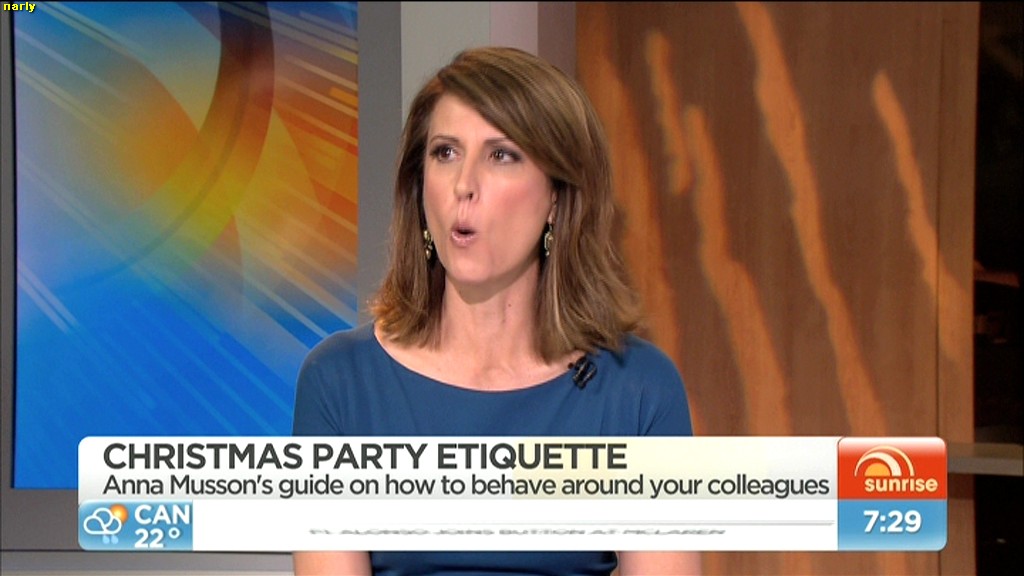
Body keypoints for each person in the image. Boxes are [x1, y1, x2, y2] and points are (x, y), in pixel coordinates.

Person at [292, 46, 700, 576]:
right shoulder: (341, 383)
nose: (464, 185)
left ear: (557, 196)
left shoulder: (637, 389)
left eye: (501, 155)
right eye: (445, 153)